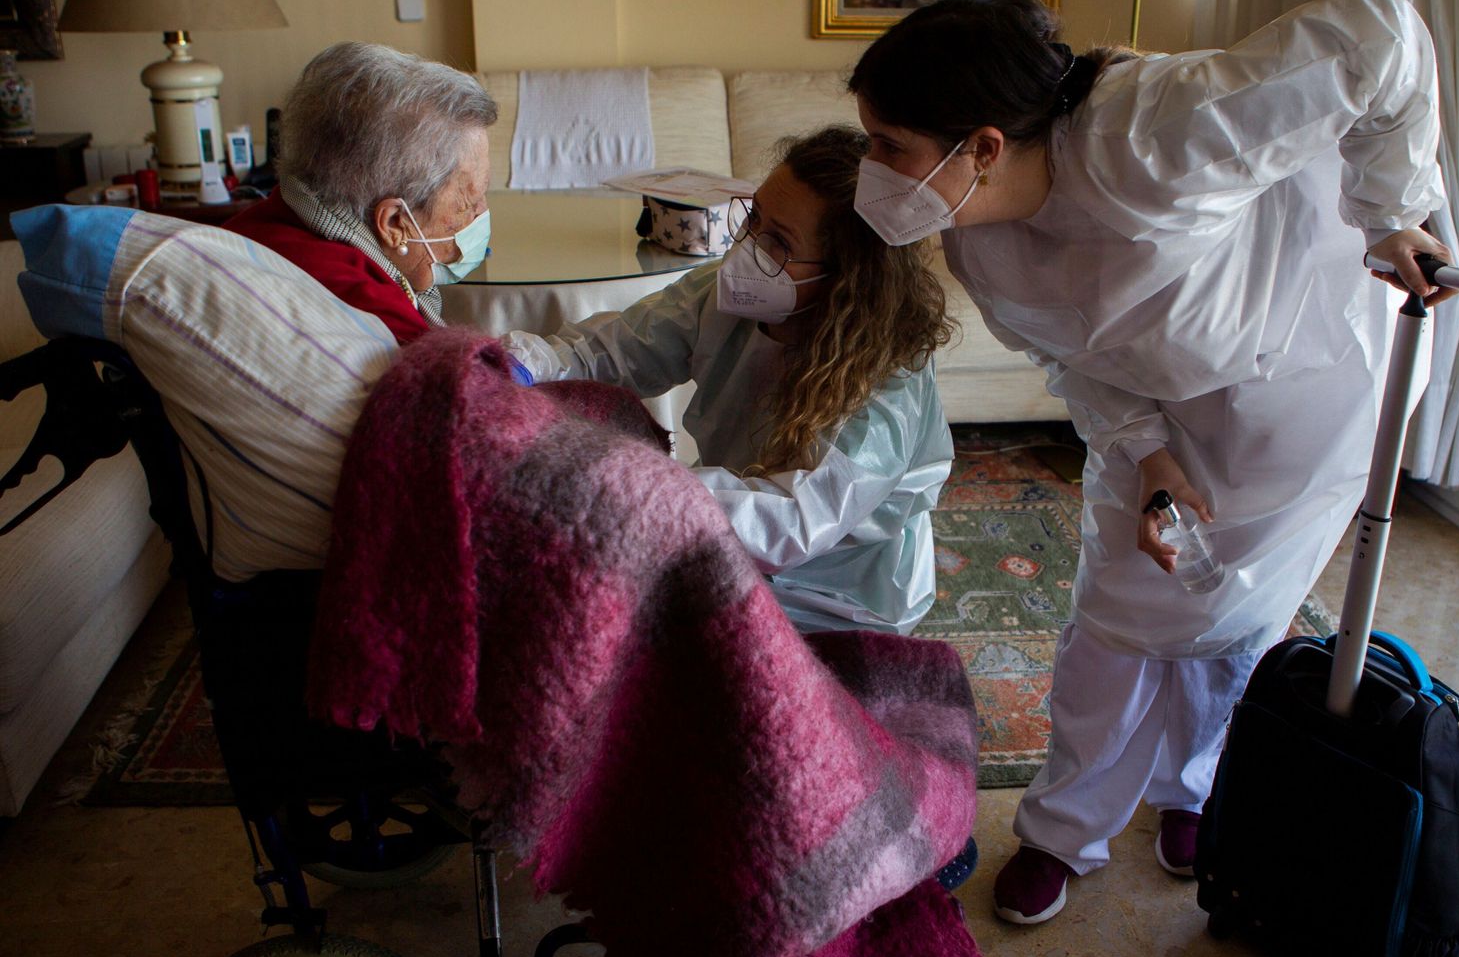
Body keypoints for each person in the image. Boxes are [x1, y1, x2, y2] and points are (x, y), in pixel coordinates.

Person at [845, 0, 1454, 924]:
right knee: (1117, 614)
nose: (870, 173)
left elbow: (1383, 32)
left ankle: (1195, 791)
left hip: (1315, 365)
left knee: (1237, 614)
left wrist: (1391, 210)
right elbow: (1075, 351)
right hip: (1165, 400)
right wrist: (1144, 450)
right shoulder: (973, 233)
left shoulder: (1152, 134)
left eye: (889, 147)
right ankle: (1063, 828)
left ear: (984, 147)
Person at [505, 126, 955, 636]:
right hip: (733, 523)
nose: (747, 248)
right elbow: (609, 353)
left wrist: (633, 484)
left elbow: (794, 522)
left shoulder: (888, 385)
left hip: (841, 594)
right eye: (754, 217)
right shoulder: (726, 297)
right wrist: (524, 366)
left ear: (847, 277)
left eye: (779, 241)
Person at [226, 41, 496, 343]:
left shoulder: (260, 221)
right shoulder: (375, 318)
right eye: (469, 202)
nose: (482, 213)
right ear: (395, 224)